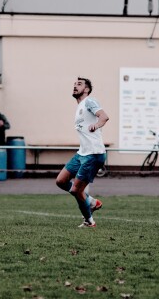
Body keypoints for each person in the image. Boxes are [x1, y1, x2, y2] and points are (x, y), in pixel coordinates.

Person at [55, 78, 108, 228]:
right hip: (82, 153)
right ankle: (90, 201)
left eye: (79, 84)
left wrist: (96, 125)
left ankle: (89, 221)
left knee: (76, 190)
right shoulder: (79, 107)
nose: (75, 86)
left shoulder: (90, 101)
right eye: (74, 85)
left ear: (86, 89)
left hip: (93, 153)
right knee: (61, 181)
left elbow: (104, 116)